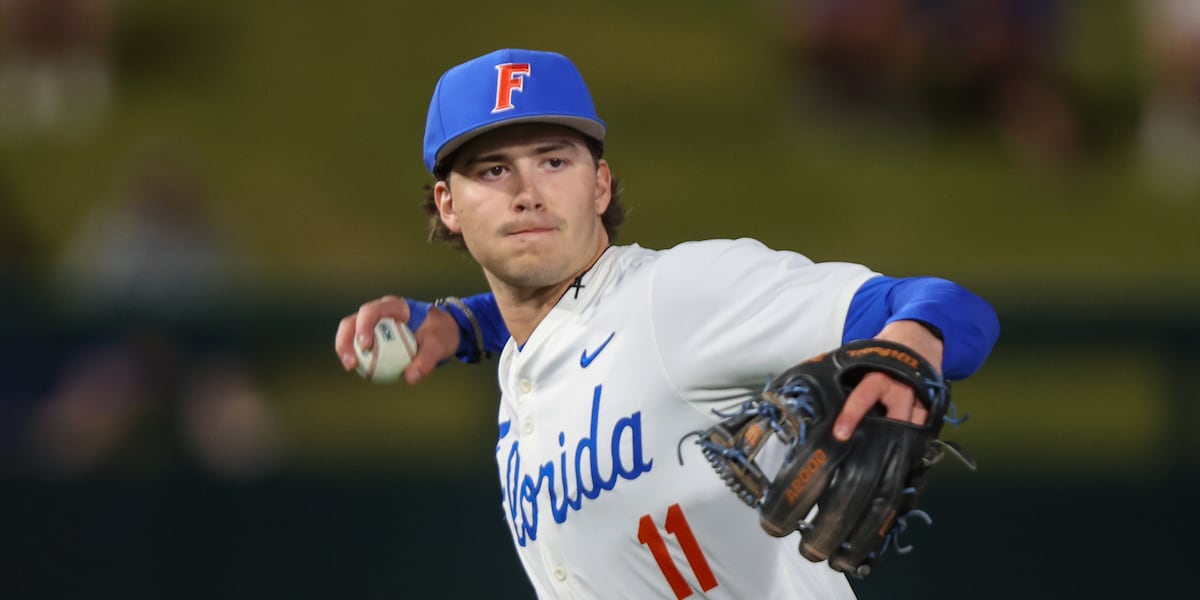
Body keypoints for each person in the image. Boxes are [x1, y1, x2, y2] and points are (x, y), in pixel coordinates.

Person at [335, 48, 999, 599]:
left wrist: (908, 346)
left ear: (599, 185)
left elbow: (943, 303)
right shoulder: (531, 351)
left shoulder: (678, 295)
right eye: (494, 169)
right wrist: (455, 325)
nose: (527, 191)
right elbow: (559, 324)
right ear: (449, 206)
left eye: (554, 160)